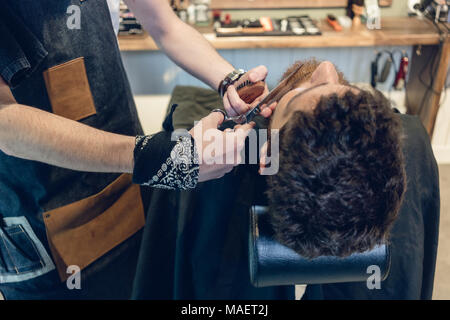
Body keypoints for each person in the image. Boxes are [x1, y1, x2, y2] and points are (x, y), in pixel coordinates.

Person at [0, 0, 269, 300]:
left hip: (128, 196)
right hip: (48, 229)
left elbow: (165, 26)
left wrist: (230, 81)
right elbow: (6, 122)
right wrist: (155, 157)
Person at [132, 59, 439, 300]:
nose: (326, 68)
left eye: (302, 95)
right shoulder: (411, 139)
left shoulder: (198, 167)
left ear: (268, 155)